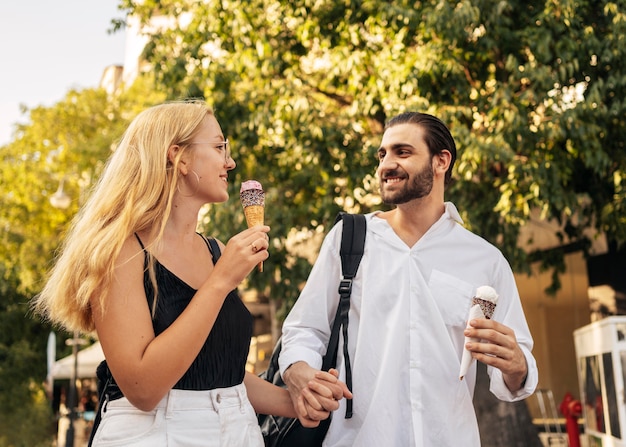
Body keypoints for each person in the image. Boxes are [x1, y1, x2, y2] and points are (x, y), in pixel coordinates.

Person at [32, 100, 347, 447]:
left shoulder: (213, 250)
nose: (230, 161)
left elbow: (217, 371)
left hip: (239, 431)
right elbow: (143, 389)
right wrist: (221, 282)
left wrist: (295, 400)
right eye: (218, 147)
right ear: (178, 157)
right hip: (155, 433)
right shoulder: (120, 250)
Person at [278, 111, 538, 446]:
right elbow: (303, 330)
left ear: (441, 161)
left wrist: (517, 366)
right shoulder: (348, 239)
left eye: (402, 152)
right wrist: (300, 371)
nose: (385, 164)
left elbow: (517, 368)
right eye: (382, 154)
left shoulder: (485, 260)